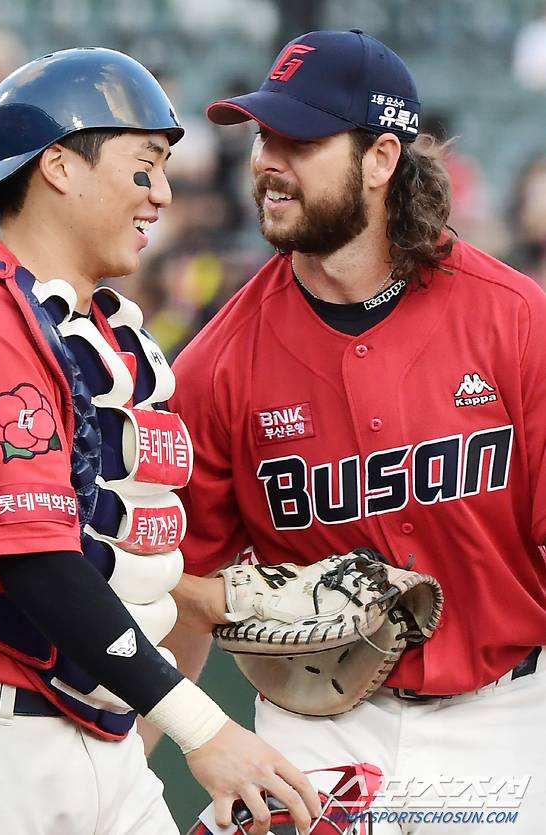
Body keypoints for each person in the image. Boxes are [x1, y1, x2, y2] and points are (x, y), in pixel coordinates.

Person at [0, 47, 320, 835]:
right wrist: (205, 727)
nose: (162, 191)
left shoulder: (91, 329)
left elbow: (106, 550)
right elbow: (35, 562)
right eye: (143, 164)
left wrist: (219, 600)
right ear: (58, 166)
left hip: (96, 733)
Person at [167, 29, 546, 833]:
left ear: (380, 158)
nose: (268, 160)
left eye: (299, 140)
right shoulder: (216, 364)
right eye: (264, 136)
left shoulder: (515, 321)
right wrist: (160, 742)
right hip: (314, 732)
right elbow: (178, 581)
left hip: (503, 720)